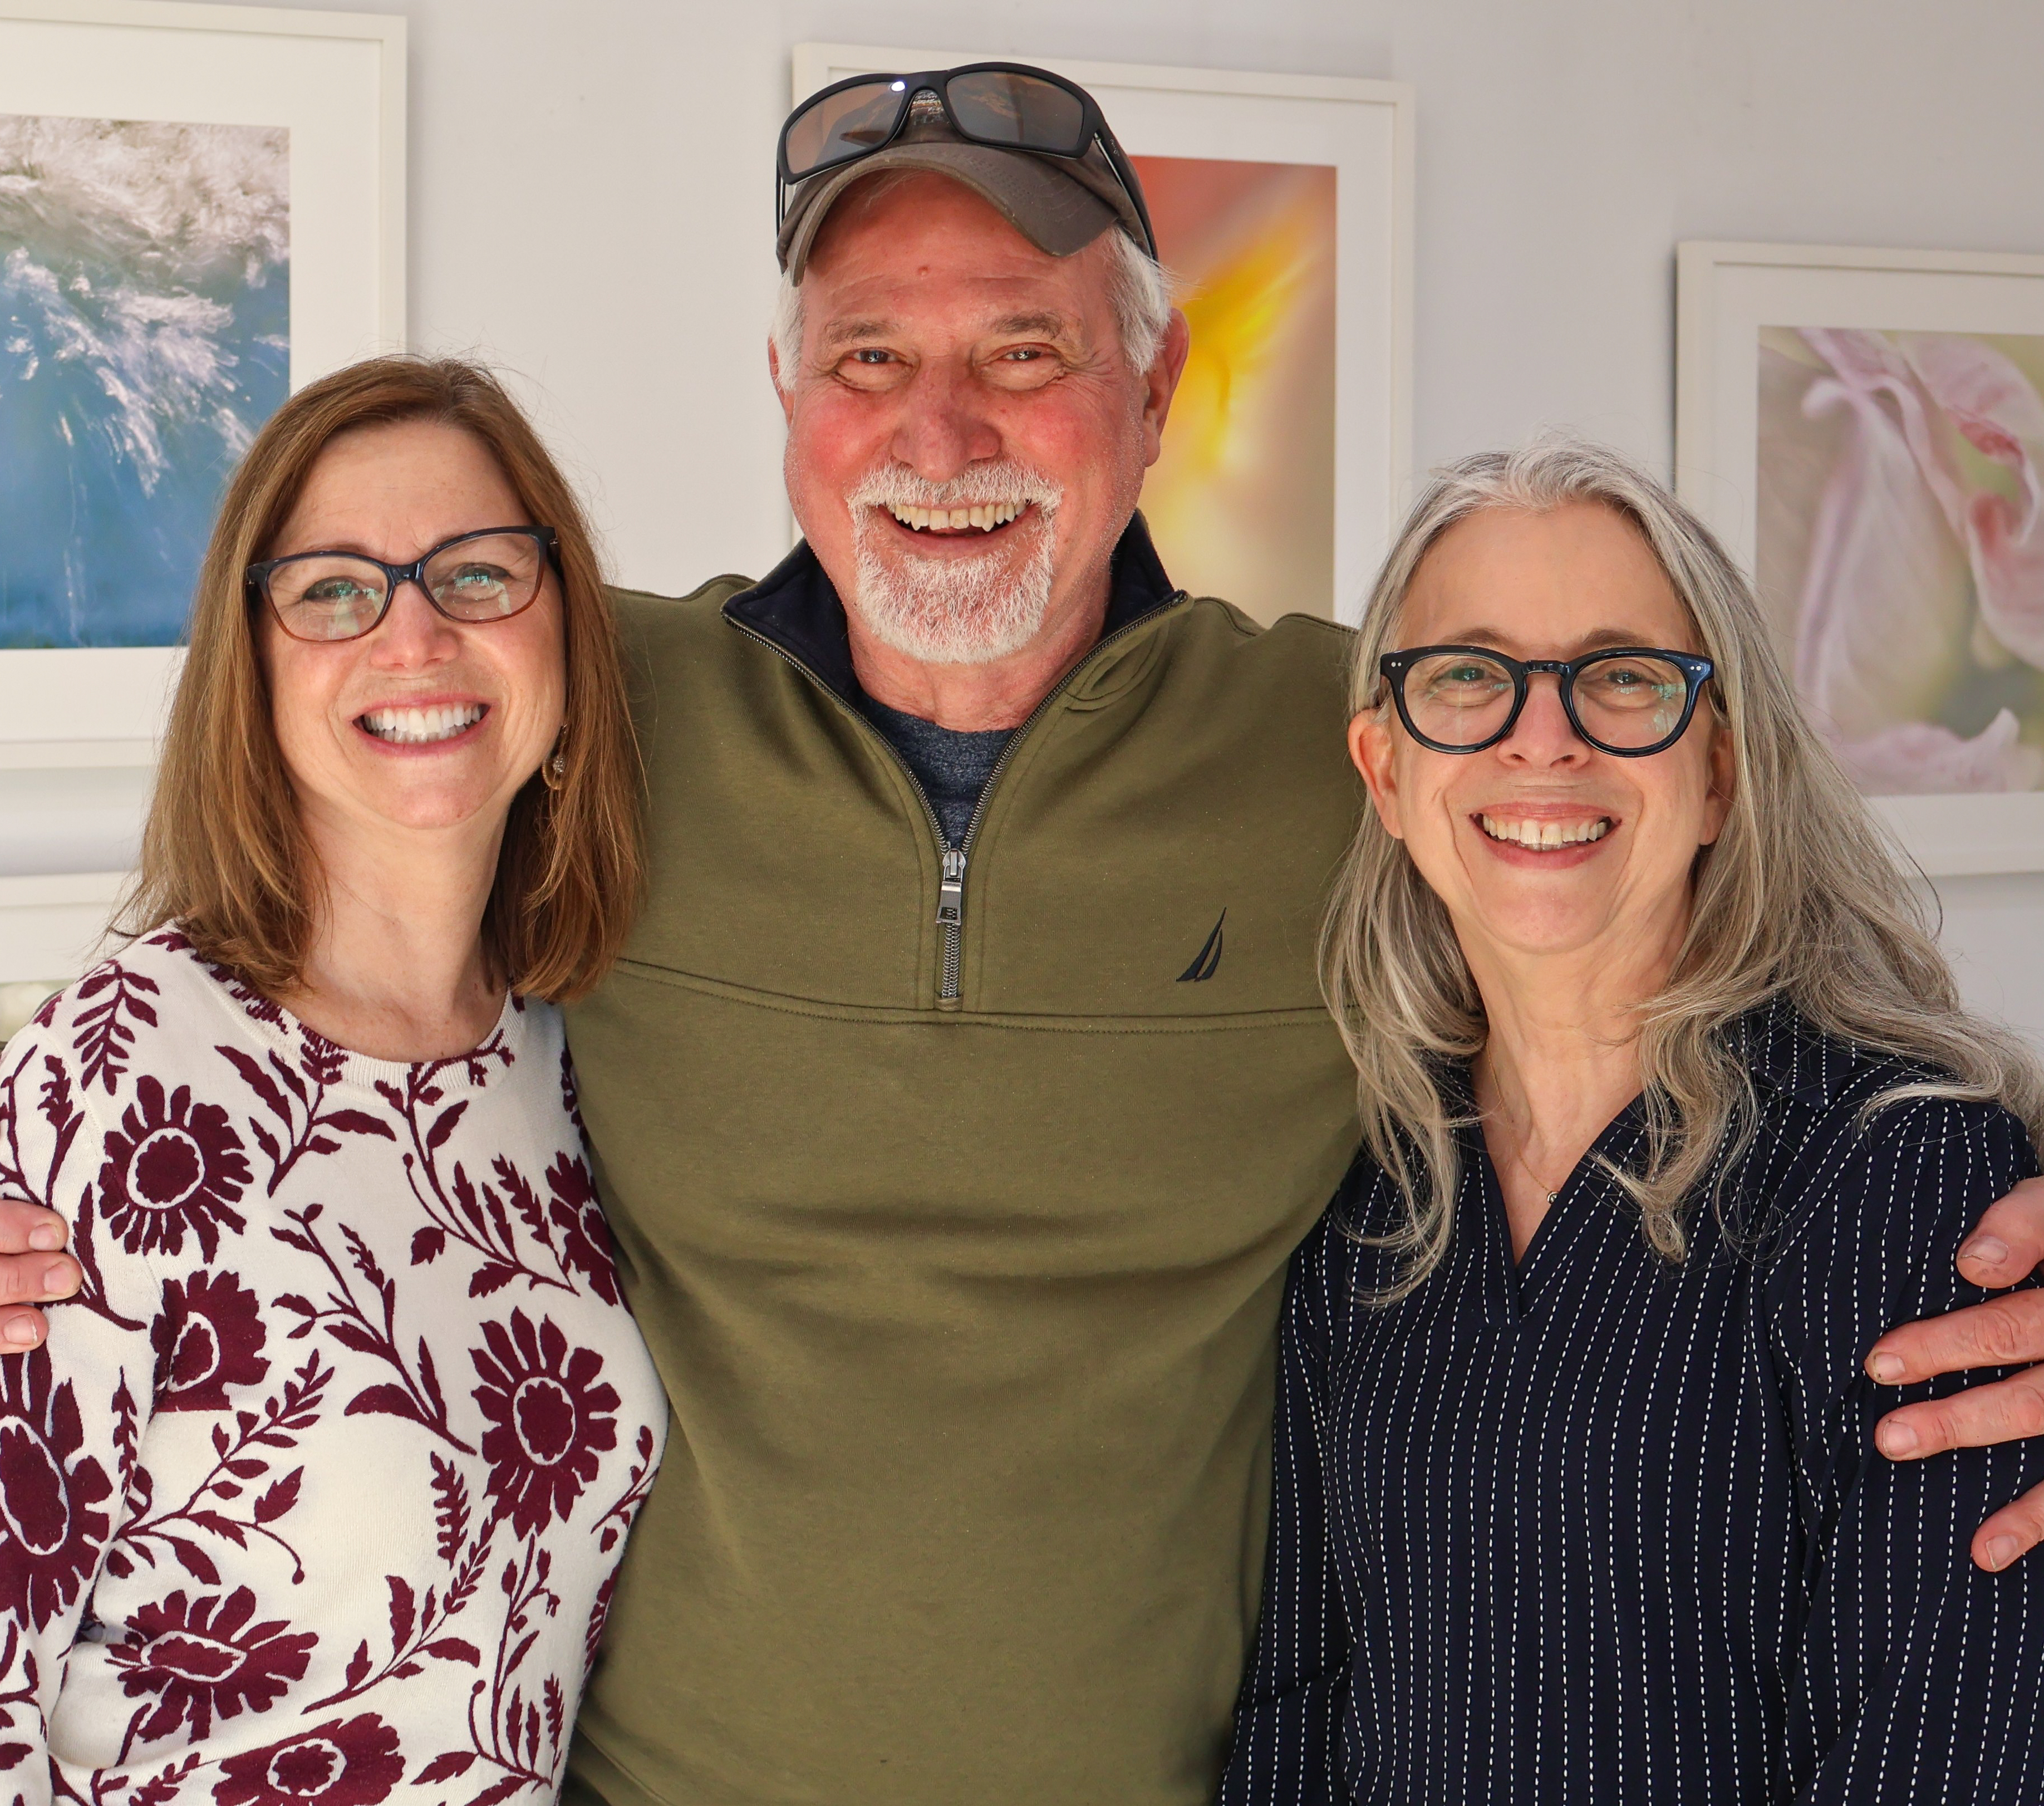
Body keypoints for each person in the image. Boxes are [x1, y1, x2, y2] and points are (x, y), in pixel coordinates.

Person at [4, 65, 2044, 1806]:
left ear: (1154, 391)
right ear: (786, 399)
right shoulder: (605, 716)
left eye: (1023, 352)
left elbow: (1669, 903)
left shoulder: (1354, 736)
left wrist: (1999, 1196)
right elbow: (317, 885)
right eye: (869, 358)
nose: (939, 430)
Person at [1222, 439, 2044, 1803]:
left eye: (1622, 677)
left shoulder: (1908, 1178)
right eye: (1469, 675)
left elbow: (1954, 1745)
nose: (1542, 738)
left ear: (1719, 771)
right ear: (1384, 767)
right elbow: (1301, 1705)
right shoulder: (1362, 1195)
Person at [0, 357, 665, 1805]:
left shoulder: (570, 1060)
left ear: (567, 629)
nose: (413, 634)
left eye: (478, 573)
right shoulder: (117, 1084)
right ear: (252, 660)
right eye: (333, 588)